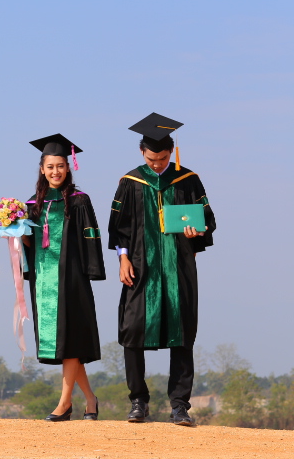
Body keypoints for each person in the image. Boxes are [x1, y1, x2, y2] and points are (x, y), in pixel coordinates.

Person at [108, 113, 216, 426]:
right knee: (132, 331)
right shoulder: (130, 182)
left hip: (178, 267)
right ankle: (138, 401)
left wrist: (197, 232)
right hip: (140, 267)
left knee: (181, 332)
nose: (157, 165)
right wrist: (123, 258)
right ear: (142, 152)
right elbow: (118, 227)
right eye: (151, 159)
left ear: (172, 152)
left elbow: (208, 220)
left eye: (163, 158)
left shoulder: (188, 179)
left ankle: (180, 405)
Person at [22, 134, 105, 421]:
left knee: (70, 342)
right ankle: (90, 399)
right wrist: (17, 231)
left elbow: (90, 236)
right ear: (42, 170)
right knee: (67, 344)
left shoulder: (79, 201)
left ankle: (64, 402)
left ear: (68, 168)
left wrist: (89, 271)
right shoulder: (33, 204)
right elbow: (31, 245)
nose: (55, 171)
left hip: (71, 279)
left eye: (60, 166)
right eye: (50, 167)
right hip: (44, 281)